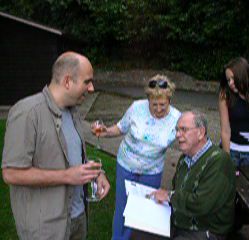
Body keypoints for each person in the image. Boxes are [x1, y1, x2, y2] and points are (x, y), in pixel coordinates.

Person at [1, 51, 110, 240]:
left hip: (78, 218)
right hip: (47, 229)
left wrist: (97, 173)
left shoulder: (73, 110)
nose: (91, 88)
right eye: (87, 82)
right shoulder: (27, 113)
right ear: (67, 81)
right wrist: (66, 176)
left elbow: (73, 155)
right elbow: (11, 173)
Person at [92, 74, 181, 240]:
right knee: (123, 207)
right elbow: (120, 128)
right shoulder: (136, 108)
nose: (159, 109)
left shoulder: (176, 118)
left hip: (152, 170)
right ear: (148, 100)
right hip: (126, 164)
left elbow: (186, 139)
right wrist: (105, 131)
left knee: (144, 211)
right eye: (154, 104)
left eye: (163, 104)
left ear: (169, 99)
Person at [151, 110, 235, 240]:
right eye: (177, 130)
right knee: (140, 233)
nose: (178, 135)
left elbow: (202, 204)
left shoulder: (219, 161)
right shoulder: (184, 159)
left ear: (201, 132)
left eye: (184, 129)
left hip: (206, 230)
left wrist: (169, 196)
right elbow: (177, 190)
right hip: (180, 222)